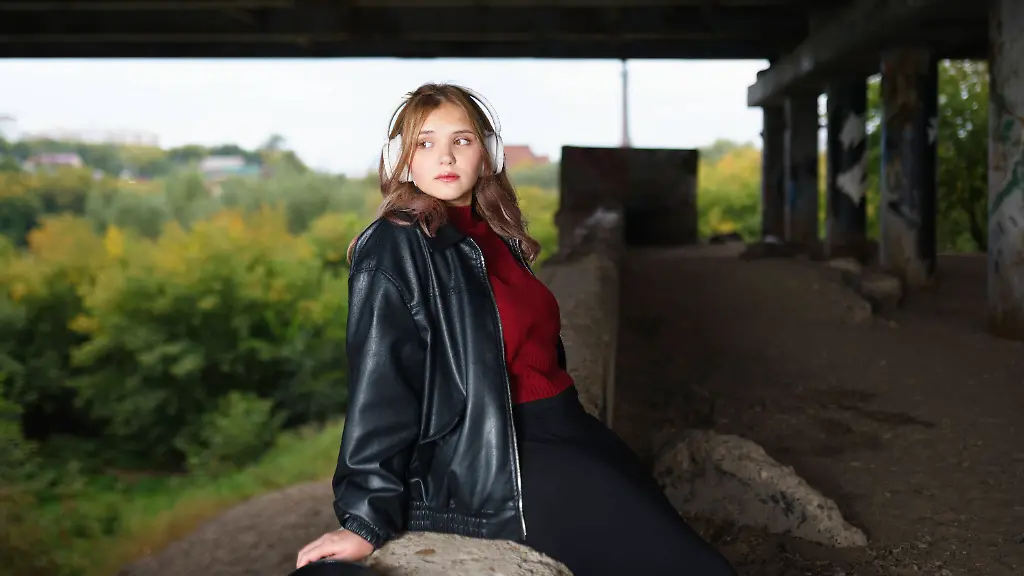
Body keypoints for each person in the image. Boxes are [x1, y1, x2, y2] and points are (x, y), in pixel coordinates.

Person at [295, 83, 736, 576]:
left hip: (566, 427)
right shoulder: (395, 246)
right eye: (424, 143)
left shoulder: (492, 232)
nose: (444, 155)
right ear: (403, 160)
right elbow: (382, 388)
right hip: (494, 455)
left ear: (488, 154)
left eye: (461, 140)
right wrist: (363, 519)